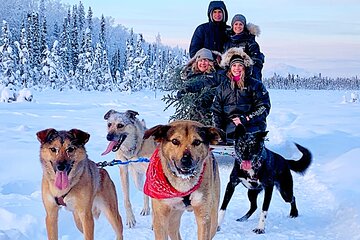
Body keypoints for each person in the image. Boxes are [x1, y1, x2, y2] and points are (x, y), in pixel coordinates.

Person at [211, 47, 270, 144]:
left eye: (240, 65)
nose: (237, 68)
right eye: (234, 65)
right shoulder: (222, 87)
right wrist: (218, 130)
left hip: (252, 127)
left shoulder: (255, 85)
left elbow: (263, 107)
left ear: (245, 67)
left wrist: (246, 118)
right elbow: (216, 111)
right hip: (228, 129)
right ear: (230, 67)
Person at [176, 48, 222, 125]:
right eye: (200, 60)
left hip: (212, 113)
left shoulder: (217, 75)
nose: (203, 63)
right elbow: (186, 89)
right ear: (196, 62)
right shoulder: (191, 75)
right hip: (195, 114)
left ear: (211, 62)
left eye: (206, 60)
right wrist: (182, 92)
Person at [223, 14, 265, 80]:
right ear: (232, 25)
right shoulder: (227, 42)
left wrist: (250, 75)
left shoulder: (250, 42)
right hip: (230, 76)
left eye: (241, 24)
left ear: (244, 26)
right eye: (236, 24)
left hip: (246, 76)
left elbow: (257, 61)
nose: (238, 26)